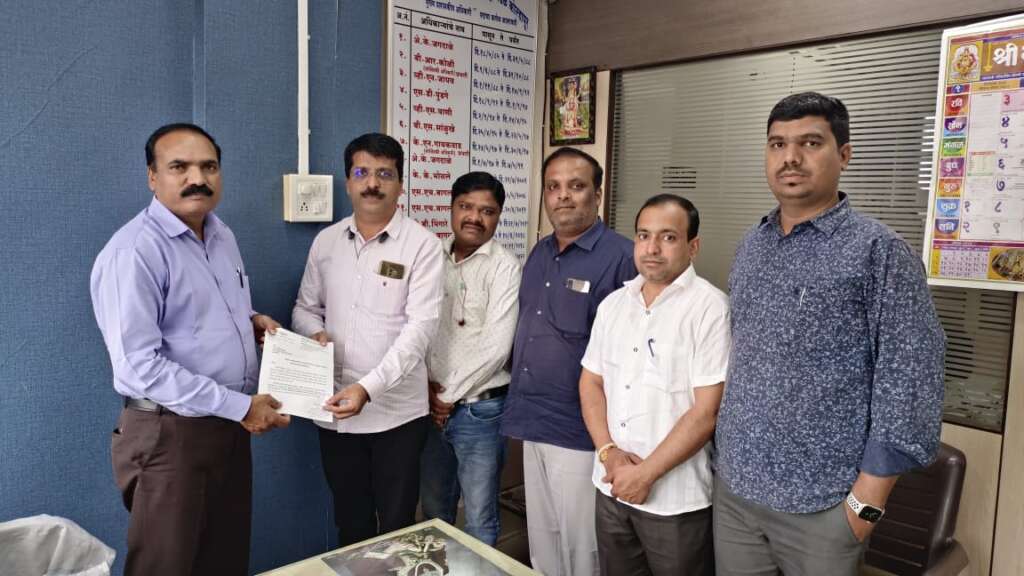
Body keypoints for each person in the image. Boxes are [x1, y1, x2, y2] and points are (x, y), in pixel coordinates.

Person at [714, 92, 946, 575]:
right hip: (736, 492)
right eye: (777, 144)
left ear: (844, 154)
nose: (790, 157)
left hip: (825, 508)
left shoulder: (879, 252)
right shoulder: (751, 246)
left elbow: (910, 382)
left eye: (810, 143)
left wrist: (863, 510)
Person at [90, 123, 289, 576]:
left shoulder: (221, 236)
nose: (197, 178)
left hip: (227, 427)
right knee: (167, 565)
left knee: (224, 559)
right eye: (179, 166)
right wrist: (242, 407)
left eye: (208, 167)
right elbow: (139, 365)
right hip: (170, 435)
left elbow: (201, 312)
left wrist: (250, 321)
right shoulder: (134, 251)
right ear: (152, 177)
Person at [292, 132, 444, 547]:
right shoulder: (326, 242)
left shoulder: (423, 246)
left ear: (400, 184)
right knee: (351, 522)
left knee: (397, 527)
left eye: (384, 174)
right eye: (361, 173)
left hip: (396, 416)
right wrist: (313, 331)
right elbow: (304, 307)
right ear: (348, 182)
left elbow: (419, 331)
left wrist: (367, 388)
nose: (372, 183)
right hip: (334, 411)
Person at [501, 147, 636, 576]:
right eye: (553, 186)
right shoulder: (540, 253)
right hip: (532, 421)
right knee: (543, 539)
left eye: (576, 186)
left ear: (597, 195)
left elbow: (633, 355)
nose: (563, 196)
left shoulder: (623, 257)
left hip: (582, 431)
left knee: (582, 547)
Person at [580, 194, 725, 576]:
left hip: (675, 501)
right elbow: (591, 382)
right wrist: (609, 453)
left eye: (668, 237)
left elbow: (706, 412)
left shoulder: (710, 308)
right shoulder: (614, 304)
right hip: (610, 485)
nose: (652, 248)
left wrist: (644, 475)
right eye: (644, 235)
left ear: (693, 246)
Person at [419, 171, 521, 546]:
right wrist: (426, 389)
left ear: (498, 216)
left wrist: (446, 397)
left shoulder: (505, 266)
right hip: (429, 406)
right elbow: (414, 326)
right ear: (451, 208)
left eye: (487, 211)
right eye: (466, 206)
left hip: (480, 411)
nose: (475, 218)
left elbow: (497, 347)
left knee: (479, 518)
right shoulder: (430, 257)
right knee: (433, 512)